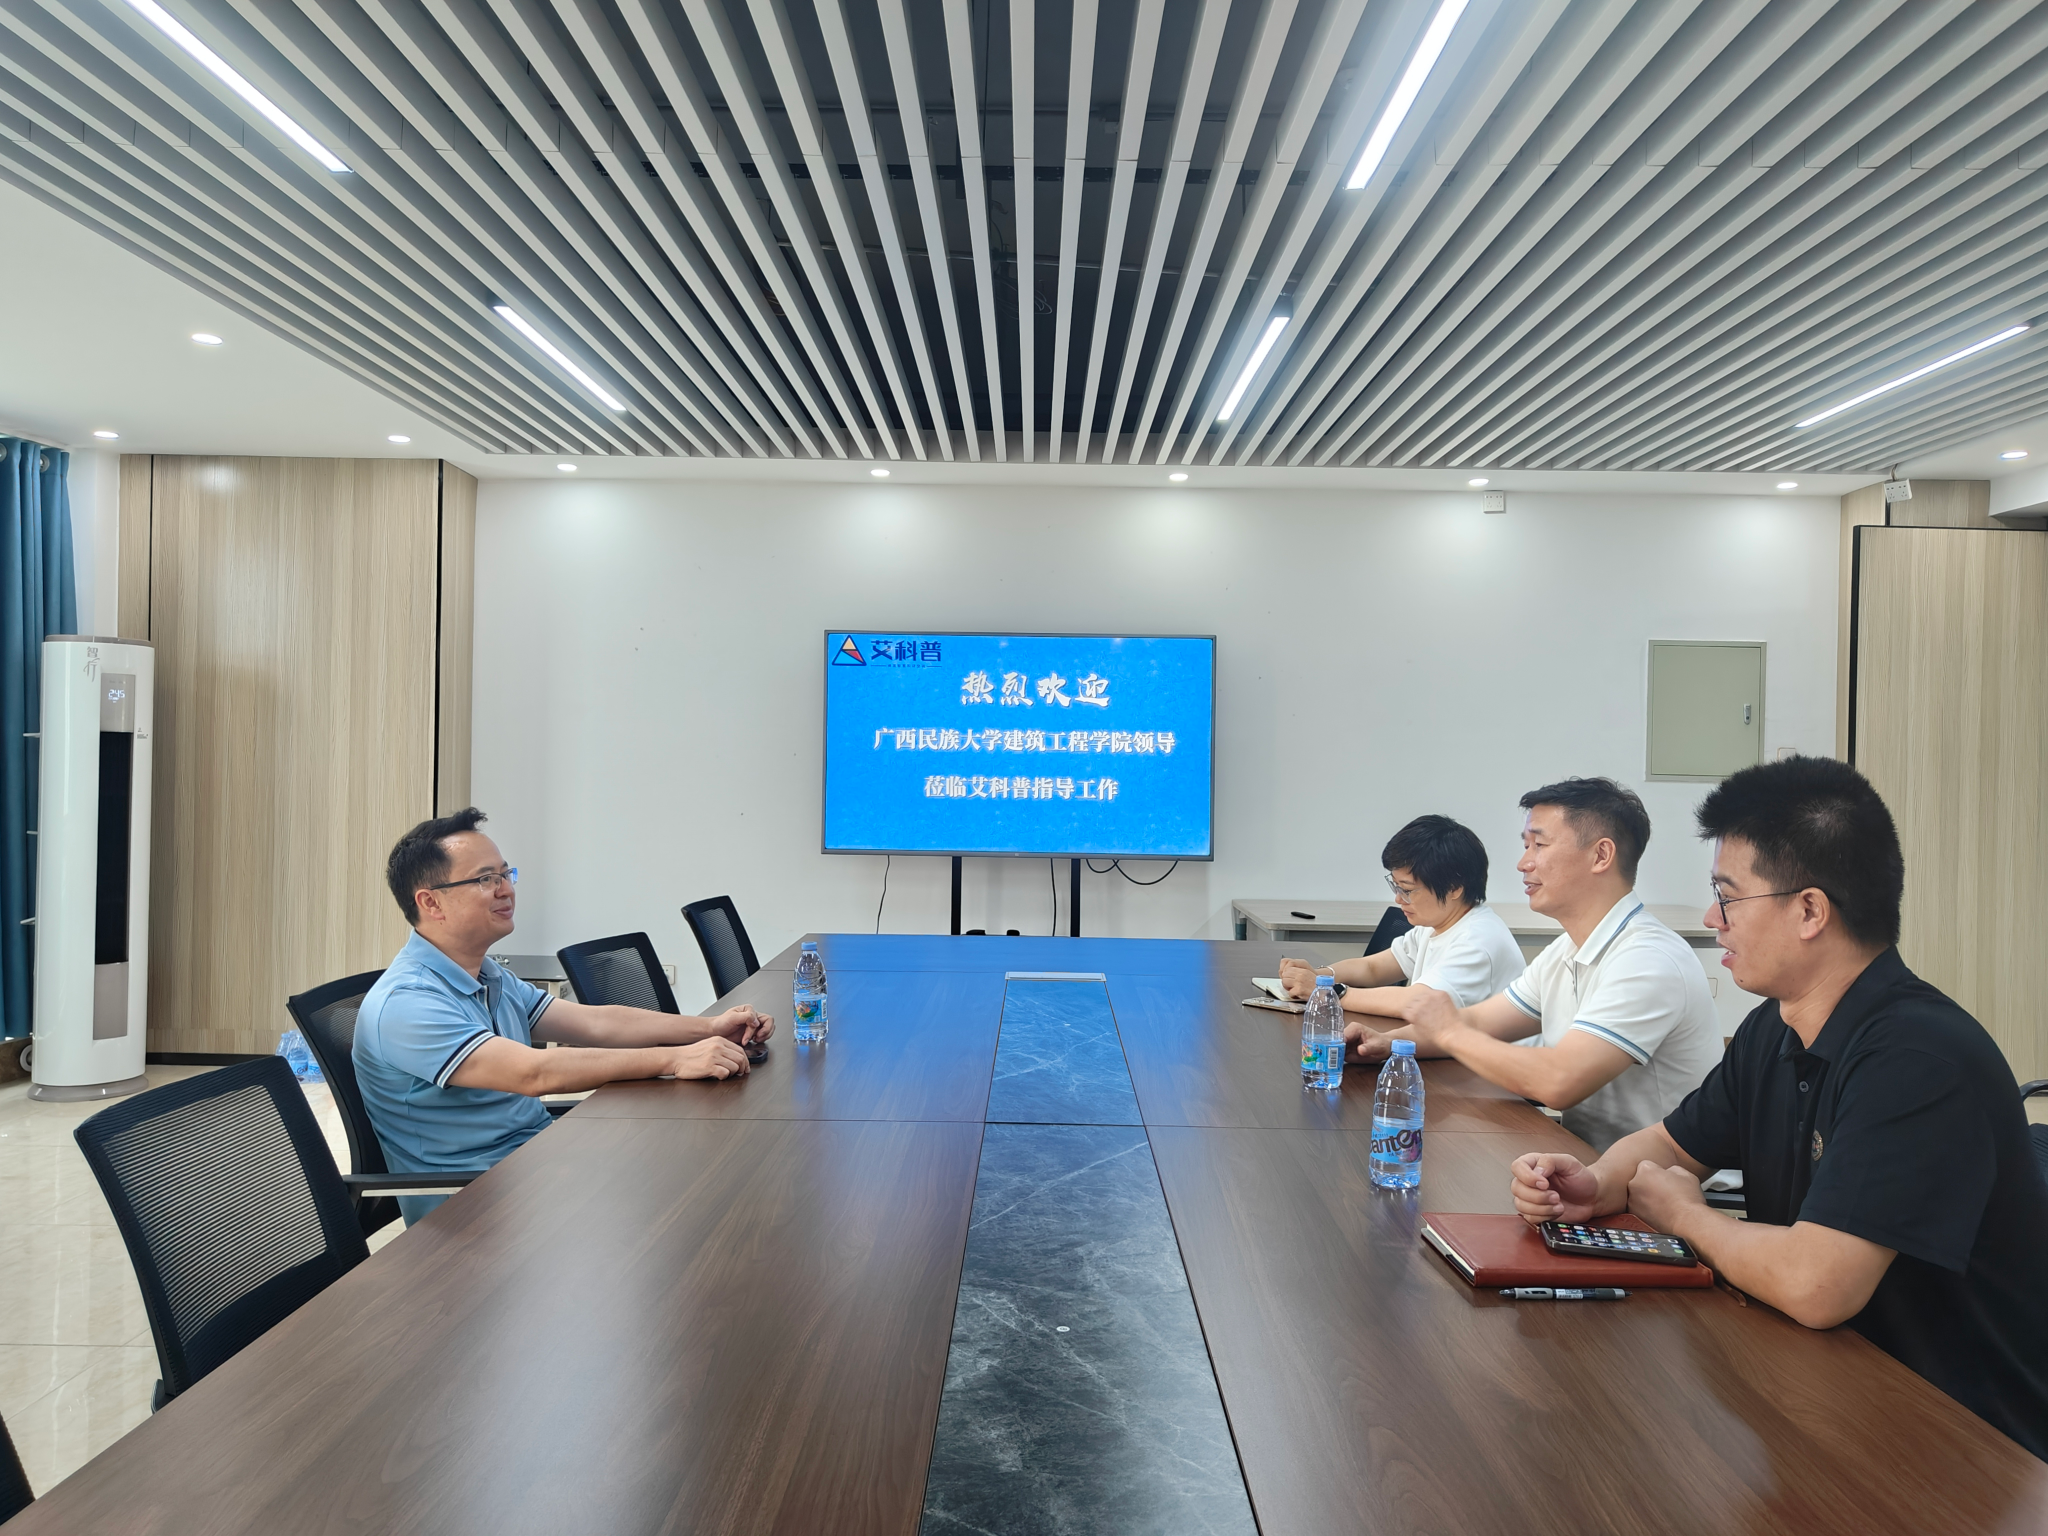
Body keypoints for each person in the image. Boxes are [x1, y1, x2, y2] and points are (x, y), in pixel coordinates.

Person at [1510, 756, 2048, 1460]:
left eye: (1727, 896)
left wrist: (1685, 1217)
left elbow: (1816, 1284)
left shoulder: (1919, 1059)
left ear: (1809, 911)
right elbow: (1672, 1144)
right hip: (1828, 1393)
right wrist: (1594, 1184)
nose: (1712, 919)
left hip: (1960, 1441)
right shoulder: (1777, 1026)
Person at [355, 807, 772, 1222]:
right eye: (486, 879)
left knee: (709, 1170)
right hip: (474, 1207)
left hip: (537, 1164)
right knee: (690, 1198)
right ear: (431, 902)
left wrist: (709, 1028)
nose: (506, 890)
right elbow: (534, 1073)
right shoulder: (407, 1002)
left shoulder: (487, 974)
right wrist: (675, 1059)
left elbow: (595, 1023)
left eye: (506, 874)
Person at [1357, 778, 1719, 1151]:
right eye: (1525, 845)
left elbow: (1558, 1082)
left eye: (1539, 845)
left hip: (1660, 1177)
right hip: (1585, 1161)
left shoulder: (1647, 959)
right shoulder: (1566, 949)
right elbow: (1478, 1022)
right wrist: (1385, 1044)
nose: (1523, 863)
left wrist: (1449, 1032)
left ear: (1601, 855)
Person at [1276, 815, 1523, 1034]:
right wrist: (1318, 975)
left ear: (1454, 888)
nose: (1398, 899)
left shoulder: (1478, 940)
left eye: (1407, 889)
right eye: (1395, 886)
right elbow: (1373, 968)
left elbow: (1417, 1001)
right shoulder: (1435, 924)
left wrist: (1329, 992)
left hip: (1489, 1069)